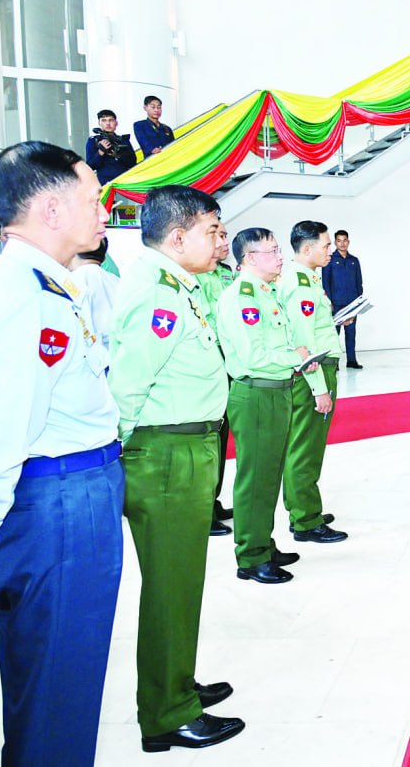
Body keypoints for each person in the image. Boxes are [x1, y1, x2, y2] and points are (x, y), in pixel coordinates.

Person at [0, 141, 121, 765]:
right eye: (93, 199)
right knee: (57, 685)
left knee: (54, 676)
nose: (104, 211)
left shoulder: (40, 282)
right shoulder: (23, 293)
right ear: (51, 209)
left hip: (63, 493)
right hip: (60, 501)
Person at [108, 184, 245, 752]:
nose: (220, 242)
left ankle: (176, 684)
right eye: (213, 231)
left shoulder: (177, 285)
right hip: (165, 454)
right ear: (178, 236)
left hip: (185, 449)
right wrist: (123, 455)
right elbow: (127, 386)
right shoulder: (158, 294)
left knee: (181, 583)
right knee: (171, 586)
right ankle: (167, 713)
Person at [217, 228, 313, 584]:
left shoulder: (265, 292)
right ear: (250, 258)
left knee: (269, 475)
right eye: (272, 251)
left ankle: (263, 543)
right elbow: (253, 356)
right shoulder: (242, 297)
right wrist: (296, 356)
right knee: (256, 478)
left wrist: (296, 358)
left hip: (276, 391)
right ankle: (251, 556)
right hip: (257, 394)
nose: (280, 257)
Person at [276, 221, 347, 543]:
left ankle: (303, 509)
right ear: (307, 249)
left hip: (316, 368)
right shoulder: (301, 283)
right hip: (313, 372)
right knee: (305, 449)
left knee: (304, 446)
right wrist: (319, 388)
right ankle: (305, 520)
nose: (330, 250)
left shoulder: (305, 278)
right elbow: (302, 341)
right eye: (326, 245)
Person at [196, 222, 237, 535]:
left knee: (221, 436)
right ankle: (202, 508)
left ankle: (214, 499)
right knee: (208, 438)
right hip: (211, 362)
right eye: (218, 236)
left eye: (225, 236)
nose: (224, 242)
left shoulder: (225, 273)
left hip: (229, 361)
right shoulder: (195, 275)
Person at [322, 229, 363, 368]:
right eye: (339, 241)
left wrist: (359, 301)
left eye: (345, 240)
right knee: (334, 334)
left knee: (351, 333)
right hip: (336, 304)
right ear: (335, 242)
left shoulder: (354, 261)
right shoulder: (330, 260)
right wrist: (329, 302)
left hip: (351, 304)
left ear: (348, 241)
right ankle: (334, 363)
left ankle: (351, 361)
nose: (342, 243)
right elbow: (325, 283)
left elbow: (359, 282)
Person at [70, 236, 120, 350]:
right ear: (104, 257)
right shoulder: (118, 282)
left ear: (74, 252)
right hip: (116, 352)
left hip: (86, 353)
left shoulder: (71, 282)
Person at [84, 109, 137, 185]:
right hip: (105, 183)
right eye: (104, 120)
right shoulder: (94, 141)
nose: (108, 123)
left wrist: (119, 154)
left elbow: (132, 163)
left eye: (111, 120)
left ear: (116, 123)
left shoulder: (123, 140)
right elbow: (90, 166)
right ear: (99, 123)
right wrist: (101, 152)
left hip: (124, 182)